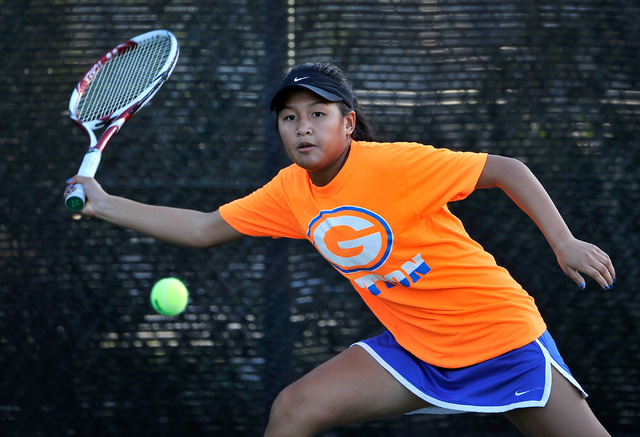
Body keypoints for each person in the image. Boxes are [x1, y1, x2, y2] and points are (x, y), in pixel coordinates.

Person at [65, 62, 616, 436]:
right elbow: (205, 228)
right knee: (294, 408)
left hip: (499, 339)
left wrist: (563, 241)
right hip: (416, 351)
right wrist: (104, 203)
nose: (302, 128)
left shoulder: (395, 164)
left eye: (317, 114)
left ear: (348, 122)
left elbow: (507, 170)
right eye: (289, 117)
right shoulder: (290, 191)